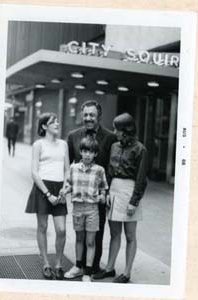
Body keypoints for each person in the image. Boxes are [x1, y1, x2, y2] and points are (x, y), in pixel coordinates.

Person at [93, 113, 148, 283]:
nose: (115, 132)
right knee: (114, 234)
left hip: (129, 191)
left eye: (117, 129)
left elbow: (141, 179)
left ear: (126, 130)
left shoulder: (140, 149)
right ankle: (109, 269)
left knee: (130, 235)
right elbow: (109, 172)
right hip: (114, 191)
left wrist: (134, 202)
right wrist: (107, 192)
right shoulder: (114, 146)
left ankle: (127, 272)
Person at [67, 100, 116, 275]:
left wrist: (107, 192)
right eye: (85, 114)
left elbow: (112, 167)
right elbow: (69, 166)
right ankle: (79, 264)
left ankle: (93, 266)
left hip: (98, 196)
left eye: (92, 115)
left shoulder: (110, 137)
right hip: (80, 196)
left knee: (98, 231)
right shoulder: (73, 136)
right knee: (80, 233)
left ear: (99, 116)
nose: (88, 118)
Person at [25, 112, 69, 280]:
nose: (57, 123)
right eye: (53, 122)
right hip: (43, 188)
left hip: (60, 188)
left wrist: (64, 188)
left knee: (62, 229)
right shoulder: (38, 144)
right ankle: (46, 263)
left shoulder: (63, 144)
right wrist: (48, 194)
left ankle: (58, 264)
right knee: (42, 227)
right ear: (44, 126)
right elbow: (34, 172)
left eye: (57, 120)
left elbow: (66, 169)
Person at [63, 136, 108, 282]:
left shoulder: (99, 170)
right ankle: (78, 267)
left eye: (91, 152)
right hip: (77, 208)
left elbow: (103, 189)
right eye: (85, 151)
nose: (87, 154)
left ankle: (87, 272)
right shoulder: (73, 168)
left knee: (90, 241)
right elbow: (69, 184)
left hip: (92, 209)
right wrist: (65, 190)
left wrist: (102, 196)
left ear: (95, 154)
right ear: (81, 152)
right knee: (79, 239)